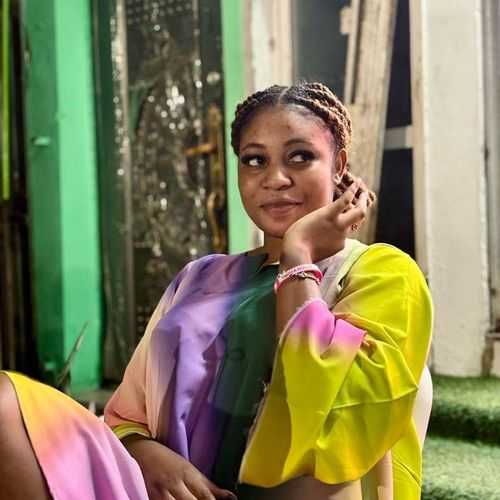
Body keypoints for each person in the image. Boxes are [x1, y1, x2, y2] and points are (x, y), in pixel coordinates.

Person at [0, 82, 432, 500]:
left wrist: (299, 255)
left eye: (300, 157)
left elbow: (331, 421)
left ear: (338, 166)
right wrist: (147, 455)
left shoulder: (383, 274)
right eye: (254, 160)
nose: (275, 178)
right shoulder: (199, 277)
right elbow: (127, 415)